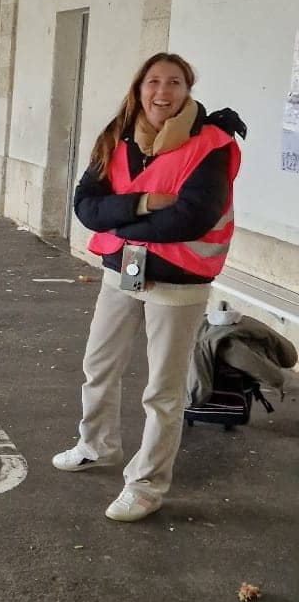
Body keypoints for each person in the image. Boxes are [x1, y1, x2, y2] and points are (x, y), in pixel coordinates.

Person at [55, 53, 244, 522]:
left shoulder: (212, 144)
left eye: (175, 82)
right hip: (123, 272)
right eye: (154, 81)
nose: (163, 91)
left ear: (188, 89)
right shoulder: (117, 135)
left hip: (177, 282)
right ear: (139, 87)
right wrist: (142, 203)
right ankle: (96, 443)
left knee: (162, 390)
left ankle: (147, 484)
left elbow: (192, 216)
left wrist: (121, 217)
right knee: (99, 364)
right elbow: (84, 206)